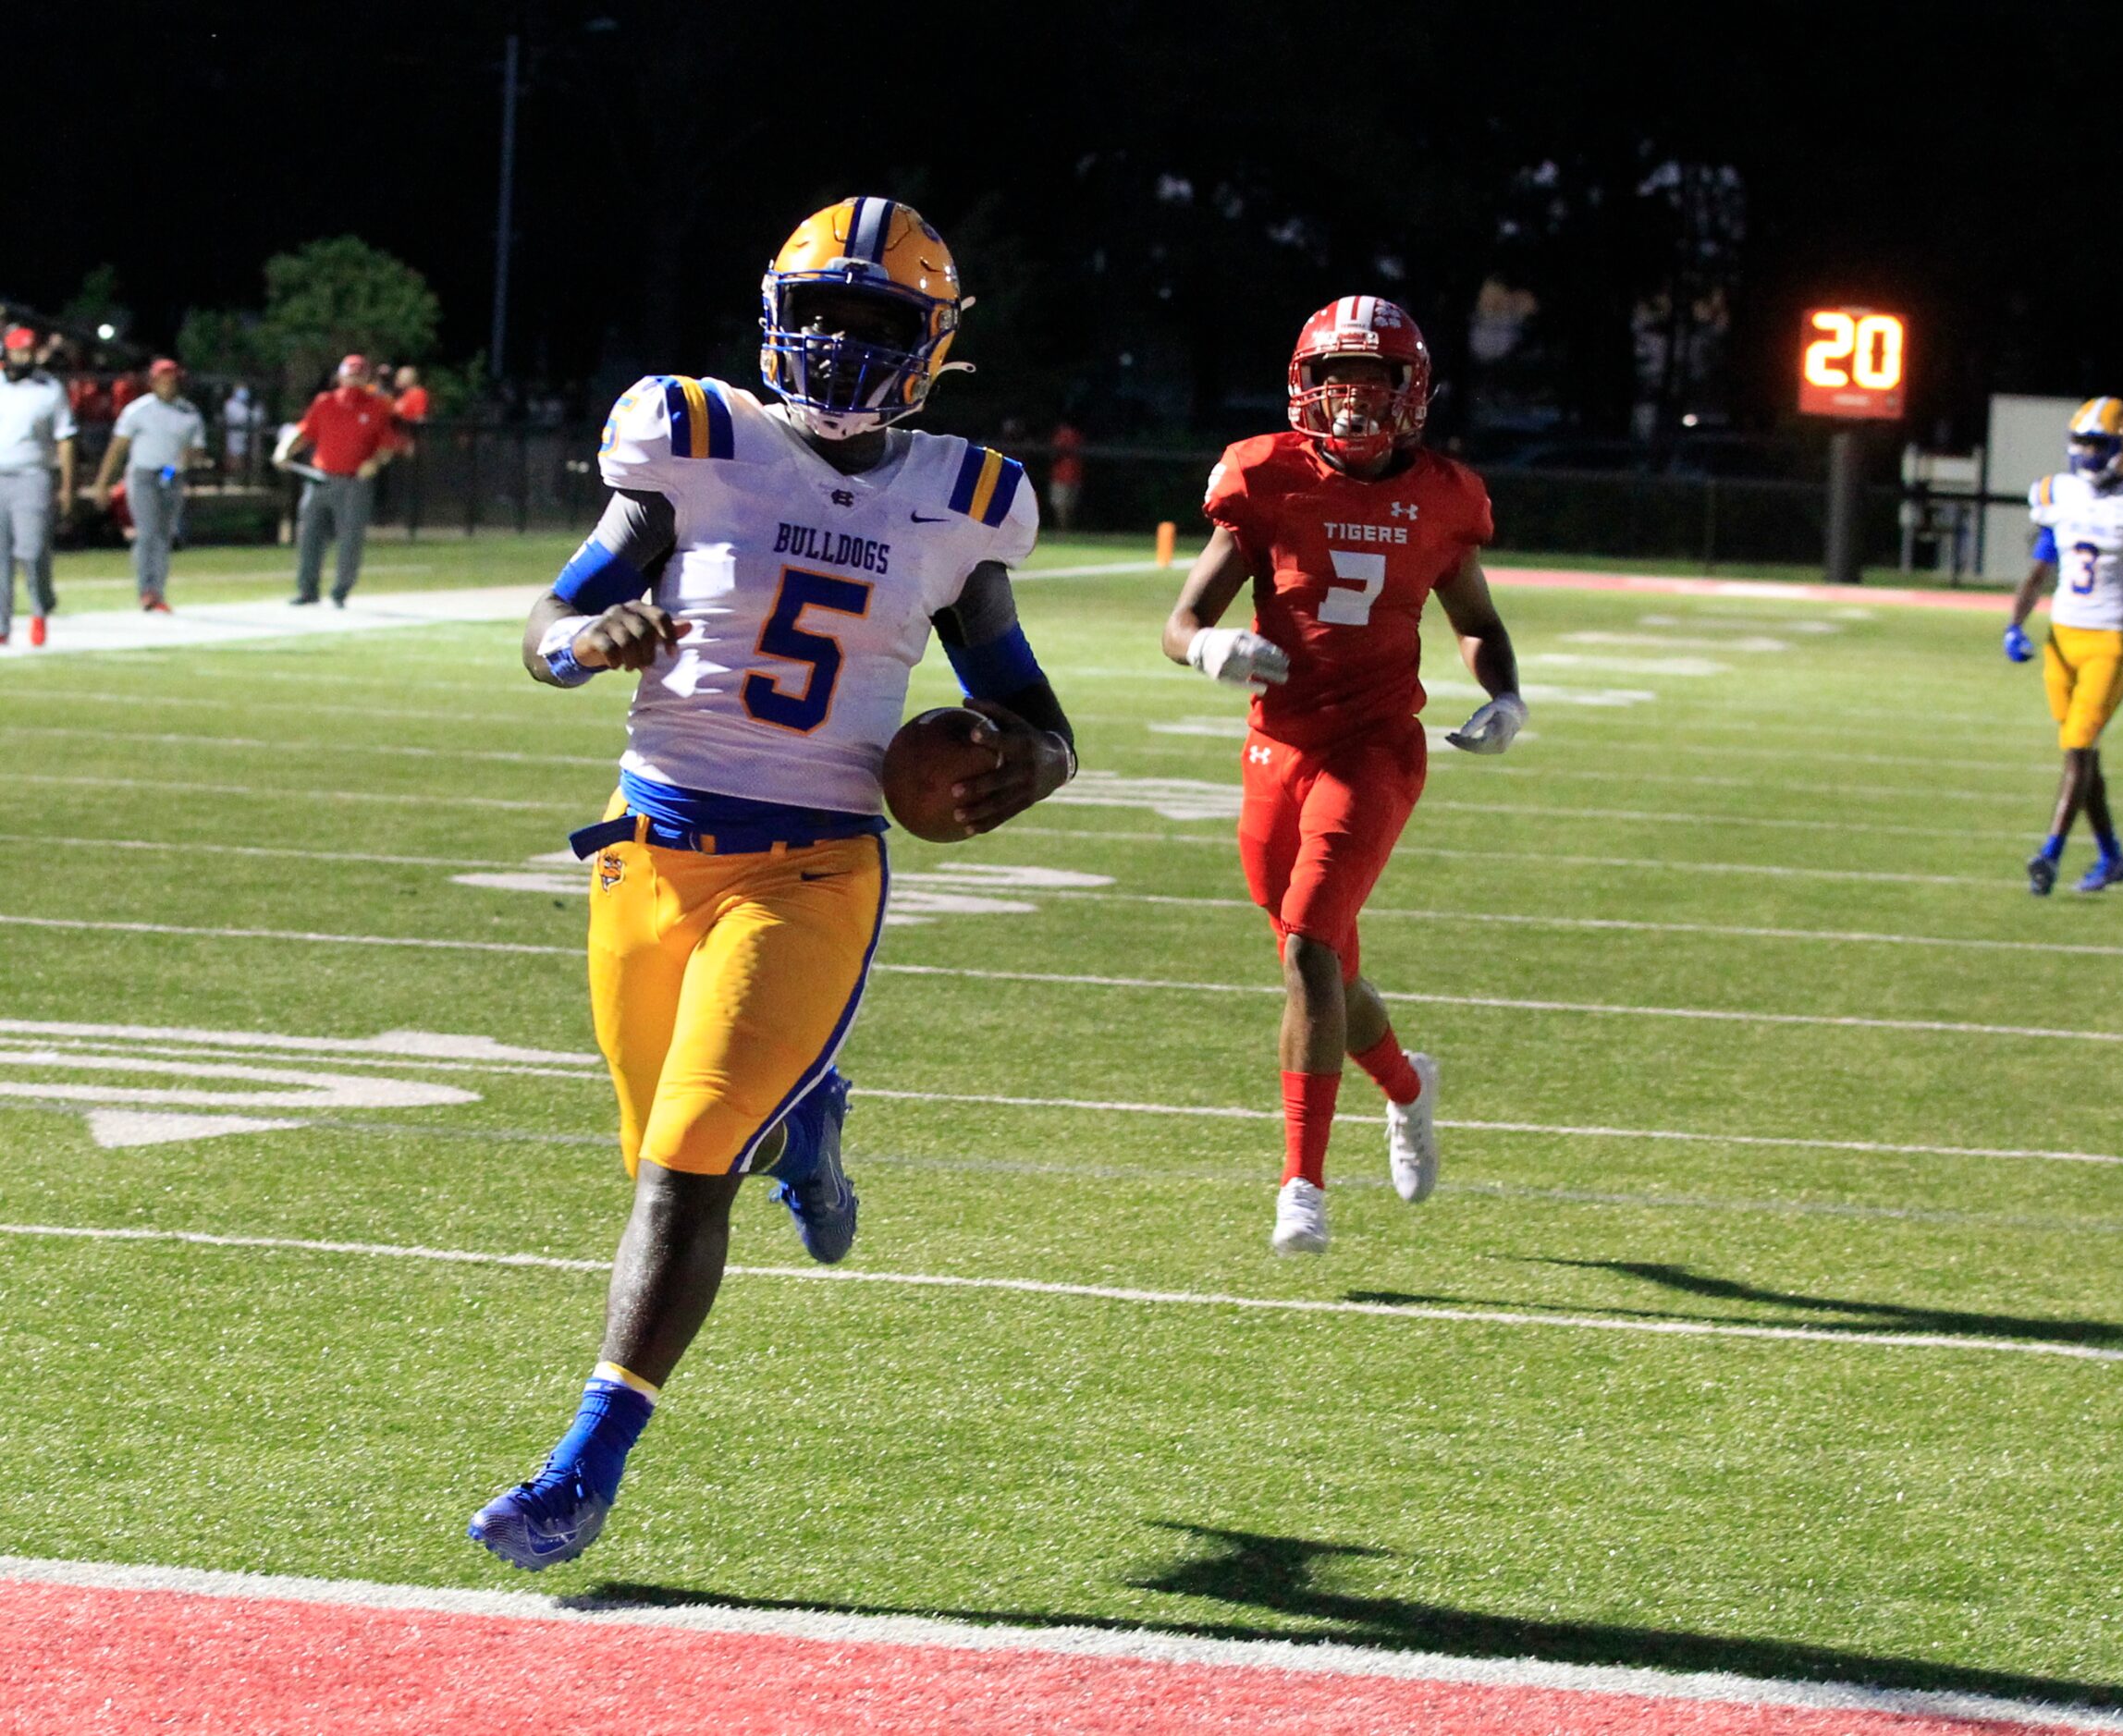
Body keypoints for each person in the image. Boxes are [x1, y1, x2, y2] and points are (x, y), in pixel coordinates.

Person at [469, 196, 1077, 1571]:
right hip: (650, 852)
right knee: (660, 1147)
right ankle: (813, 1111)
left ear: (931, 344)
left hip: (810, 866)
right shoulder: (695, 440)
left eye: (880, 322)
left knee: (683, 1169)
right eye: (825, 317)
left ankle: (581, 1471)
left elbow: (1034, 711)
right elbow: (543, 624)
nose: (846, 345)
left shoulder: (960, 498)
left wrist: (1021, 764)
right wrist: (584, 642)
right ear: (775, 320)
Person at [1161, 296, 1528, 1255]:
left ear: (1413, 396)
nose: (1357, 408)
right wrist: (1210, 652)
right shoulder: (1265, 477)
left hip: (1376, 747)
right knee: (1324, 964)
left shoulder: (1445, 495)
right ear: (1305, 389)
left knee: (1310, 953)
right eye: (1339, 386)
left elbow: (1479, 623)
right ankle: (1407, 1085)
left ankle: (1301, 1189)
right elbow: (1181, 620)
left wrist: (1507, 697)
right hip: (1276, 749)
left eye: (1376, 388)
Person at [2005, 397, 2123, 895]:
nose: (2086, 453)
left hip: (2110, 641)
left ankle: (2049, 856)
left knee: (2079, 748)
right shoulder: (2059, 495)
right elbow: (2040, 569)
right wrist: (2014, 624)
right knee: (2081, 758)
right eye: (2081, 443)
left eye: (2097, 444)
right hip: (2060, 640)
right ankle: (2112, 859)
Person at [273, 353, 399, 605]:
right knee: (309, 534)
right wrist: (283, 451)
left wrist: (373, 463)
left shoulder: (377, 406)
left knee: (350, 537)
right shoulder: (325, 402)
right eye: (350, 374)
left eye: (359, 374)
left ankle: (340, 590)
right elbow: (304, 431)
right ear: (341, 375)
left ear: (366, 378)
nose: (354, 379)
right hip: (320, 478)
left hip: (354, 482)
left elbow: (387, 445)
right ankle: (307, 589)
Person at [90, 357, 207, 611]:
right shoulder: (138, 410)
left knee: (164, 533)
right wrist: (103, 483)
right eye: (162, 380)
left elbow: (197, 448)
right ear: (153, 382)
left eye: (171, 380)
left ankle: (158, 591)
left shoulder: (188, 412)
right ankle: (147, 590)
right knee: (148, 530)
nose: (167, 385)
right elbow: (117, 448)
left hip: (169, 472)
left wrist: (190, 456)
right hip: (143, 473)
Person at [0, 324, 78, 648]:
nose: (24, 357)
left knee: (31, 551)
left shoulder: (49, 389)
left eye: (29, 351)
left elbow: (65, 440)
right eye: (19, 351)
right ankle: (2, 624)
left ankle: (38, 610)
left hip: (33, 476)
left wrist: (67, 486)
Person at [1048, 416, 1084, 531]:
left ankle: (1063, 529)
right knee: (1069, 506)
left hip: (1061, 475)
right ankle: (1067, 528)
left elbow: (1055, 454)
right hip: (1076, 475)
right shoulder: (1079, 435)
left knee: (1060, 505)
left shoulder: (1062, 435)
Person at [221, 383, 262, 481]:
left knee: (254, 459)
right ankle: (234, 480)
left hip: (252, 437)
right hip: (235, 436)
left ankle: (253, 480)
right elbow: (239, 418)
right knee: (235, 459)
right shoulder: (230, 404)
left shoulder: (255, 404)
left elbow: (259, 417)